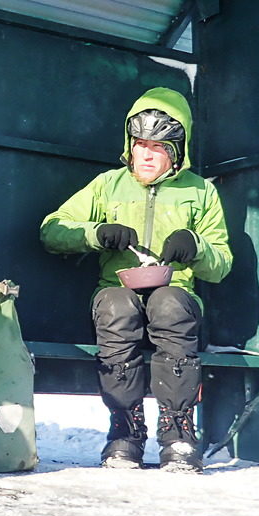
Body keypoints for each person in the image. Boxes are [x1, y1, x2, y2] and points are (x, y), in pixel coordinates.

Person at [39, 87, 232, 472]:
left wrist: (194, 245)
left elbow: (222, 262)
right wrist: (95, 234)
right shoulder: (108, 184)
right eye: (140, 143)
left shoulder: (200, 191)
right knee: (115, 305)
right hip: (117, 290)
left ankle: (178, 432)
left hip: (176, 292)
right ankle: (125, 431)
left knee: (170, 304)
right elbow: (52, 230)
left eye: (158, 147)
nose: (145, 154)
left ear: (176, 150)